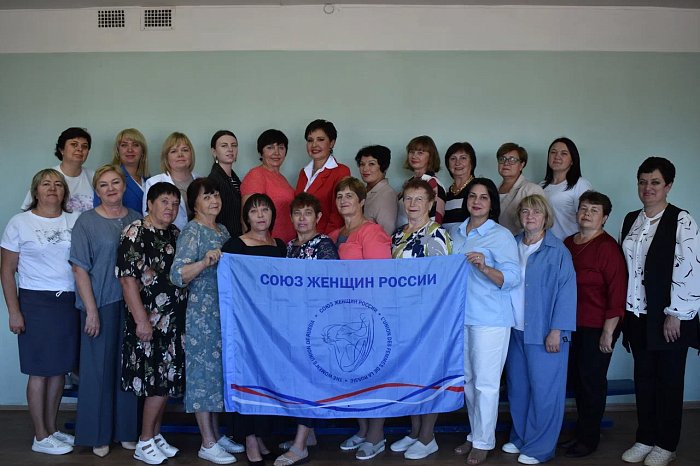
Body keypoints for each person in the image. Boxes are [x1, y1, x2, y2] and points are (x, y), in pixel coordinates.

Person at [619, 157, 700, 466]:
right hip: (637, 314)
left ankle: (666, 444)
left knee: (668, 381)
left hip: (669, 317)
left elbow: (691, 269)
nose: (647, 188)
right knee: (644, 379)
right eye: (642, 181)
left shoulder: (682, 220)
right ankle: (645, 438)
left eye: (655, 182)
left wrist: (675, 313)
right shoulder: (631, 219)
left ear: (668, 186)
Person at [1, 168, 80, 455]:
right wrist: (14, 311)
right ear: (36, 191)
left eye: (58, 184)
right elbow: (7, 271)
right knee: (39, 371)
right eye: (46, 184)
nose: (52, 188)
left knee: (58, 370)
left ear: (64, 192)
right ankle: (40, 435)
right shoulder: (20, 222)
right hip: (35, 302)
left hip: (67, 302)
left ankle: (51, 429)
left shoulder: (74, 220)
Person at [70, 165, 141, 457]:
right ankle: (97, 435)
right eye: (103, 184)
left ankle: (126, 431)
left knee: (128, 369)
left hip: (132, 304)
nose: (110, 188)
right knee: (97, 371)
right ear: (97, 190)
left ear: (124, 186)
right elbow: (79, 269)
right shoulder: (86, 222)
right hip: (100, 303)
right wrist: (91, 311)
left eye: (115, 183)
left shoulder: (136, 218)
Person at [502, 194, 576, 465]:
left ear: (546, 217)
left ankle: (540, 447)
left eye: (536, 212)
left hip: (545, 332)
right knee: (518, 389)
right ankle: (521, 437)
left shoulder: (558, 251)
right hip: (514, 330)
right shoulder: (511, 245)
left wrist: (558, 329)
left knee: (545, 392)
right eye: (525, 211)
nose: (530, 216)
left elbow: (567, 293)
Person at [450, 178, 519, 465]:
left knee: (486, 383)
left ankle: (483, 441)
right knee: (468, 381)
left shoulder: (501, 236)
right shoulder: (455, 232)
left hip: (490, 319)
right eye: (472, 196)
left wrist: (485, 266)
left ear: (492, 204)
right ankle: (475, 433)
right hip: (460, 318)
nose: (476, 202)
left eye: (484, 197)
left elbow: (512, 278)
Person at [170, 178, 239, 464]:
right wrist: (204, 262)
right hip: (202, 314)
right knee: (202, 377)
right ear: (194, 203)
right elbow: (177, 275)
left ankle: (216, 434)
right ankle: (207, 442)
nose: (214, 200)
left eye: (216, 195)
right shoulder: (192, 230)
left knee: (216, 376)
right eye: (207, 196)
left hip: (224, 313)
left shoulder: (222, 230)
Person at [117, 182, 186, 465]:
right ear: (150, 204)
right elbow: (127, 280)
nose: (170, 208)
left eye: (175, 204)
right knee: (155, 384)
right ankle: (144, 441)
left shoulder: (175, 234)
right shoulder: (135, 232)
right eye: (164, 202)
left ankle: (155, 435)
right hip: (148, 321)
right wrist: (141, 321)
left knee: (165, 382)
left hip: (173, 323)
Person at [274, 193, 339, 466]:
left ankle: (299, 446)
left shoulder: (323, 244)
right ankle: (308, 435)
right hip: (294, 323)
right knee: (297, 379)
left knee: (309, 381)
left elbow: (333, 283)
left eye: (308, 213)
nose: (302, 218)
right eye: (297, 213)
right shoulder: (290, 246)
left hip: (316, 324)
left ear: (318, 217)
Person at [329, 177, 391, 460]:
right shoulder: (335, 234)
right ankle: (363, 429)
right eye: (340, 196)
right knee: (354, 374)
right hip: (343, 314)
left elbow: (380, 279)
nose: (344, 200)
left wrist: (371, 317)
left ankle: (377, 435)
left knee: (374, 374)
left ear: (362, 201)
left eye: (349, 196)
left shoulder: (371, 232)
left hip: (368, 313)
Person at [389, 178, 451, 460]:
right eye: (408, 199)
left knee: (427, 375)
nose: (412, 204)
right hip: (401, 317)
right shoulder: (398, 234)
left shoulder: (437, 234)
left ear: (430, 203)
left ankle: (428, 436)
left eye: (419, 199)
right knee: (409, 375)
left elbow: (441, 281)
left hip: (427, 318)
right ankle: (415, 432)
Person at [222, 193, 286, 465]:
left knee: (267, 382)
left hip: (273, 325)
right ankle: (248, 438)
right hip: (245, 325)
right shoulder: (235, 245)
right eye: (254, 211)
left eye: (265, 210)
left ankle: (261, 436)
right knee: (247, 381)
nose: (260, 215)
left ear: (273, 214)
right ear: (246, 217)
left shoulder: (280, 245)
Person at [561, 191, 626, 458]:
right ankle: (580, 432)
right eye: (584, 208)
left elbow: (617, 293)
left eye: (594, 210)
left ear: (605, 217)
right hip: (571, 324)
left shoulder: (607, 248)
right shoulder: (568, 242)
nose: (587, 214)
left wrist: (608, 332)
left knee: (591, 382)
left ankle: (589, 438)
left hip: (598, 325)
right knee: (577, 380)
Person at [295, 119, 351, 235]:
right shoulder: (303, 173)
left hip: (325, 238)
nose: (314, 145)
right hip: (301, 237)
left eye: (320, 139)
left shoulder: (341, 171)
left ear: (332, 143)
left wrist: (325, 240)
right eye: (310, 140)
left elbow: (338, 213)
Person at [21, 127, 95, 213]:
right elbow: (28, 213)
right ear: (61, 149)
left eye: (84, 146)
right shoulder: (46, 177)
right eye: (74, 144)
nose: (80, 149)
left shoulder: (94, 177)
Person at [241, 129, 296, 242]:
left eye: (281, 147)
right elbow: (247, 218)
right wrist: (256, 246)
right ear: (261, 152)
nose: (276, 152)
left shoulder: (282, 178)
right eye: (270, 147)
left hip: (287, 243)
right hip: (267, 245)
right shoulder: (256, 175)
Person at [142, 132, 199, 230]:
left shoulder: (201, 180)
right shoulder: (153, 182)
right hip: (166, 237)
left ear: (191, 154)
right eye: (174, 151)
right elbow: (148, 217)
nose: (180, 155)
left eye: (185, 150)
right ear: (166, 157)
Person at [540, 137, 592, 240]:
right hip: (546, 245)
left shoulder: (580, 184)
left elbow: (588, 220)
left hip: (570, 244)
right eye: (553, 152)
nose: (557, 157)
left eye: (564, 153)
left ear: (572, 160)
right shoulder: (540, 186)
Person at [395, 136, 446, 228]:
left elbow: (436, 219)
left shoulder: (432, 183)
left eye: (420, 153)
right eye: (411, 152)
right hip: (404, 233)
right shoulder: (409, 182)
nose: (414, 156)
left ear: (430, 157)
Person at [496, 143, 545, 235]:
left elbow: (540, 225)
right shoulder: (493, 190)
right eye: (502, 159)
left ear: (522, 165)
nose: (506, 163)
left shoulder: (532, 190)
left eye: (512, 160)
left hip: (521, 241)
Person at [355, 145, 397, 235]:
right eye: (362, 164)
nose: (365, 169)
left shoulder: (387, 194)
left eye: (371, 164)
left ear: (384, 167)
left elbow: (386, 233)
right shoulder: (361, 191)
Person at [208, 130, 242, 239]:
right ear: (214, 152)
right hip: (224, 239)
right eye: (224, 146)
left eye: (234, 145)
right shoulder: (213, 180)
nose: (230, 149)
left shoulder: (235, 179)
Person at [108, 128, 150, 212]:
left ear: (143, 151)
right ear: (118, 151)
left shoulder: (150, 180)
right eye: (124, 145)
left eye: (135, 145)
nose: (130, 150)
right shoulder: (109, 178)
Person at [442, 141, 476, 233]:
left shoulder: (478, 189)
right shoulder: (445, 193)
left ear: (472, 162)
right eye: (453, 158)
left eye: (463, 158)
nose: (457, 163)